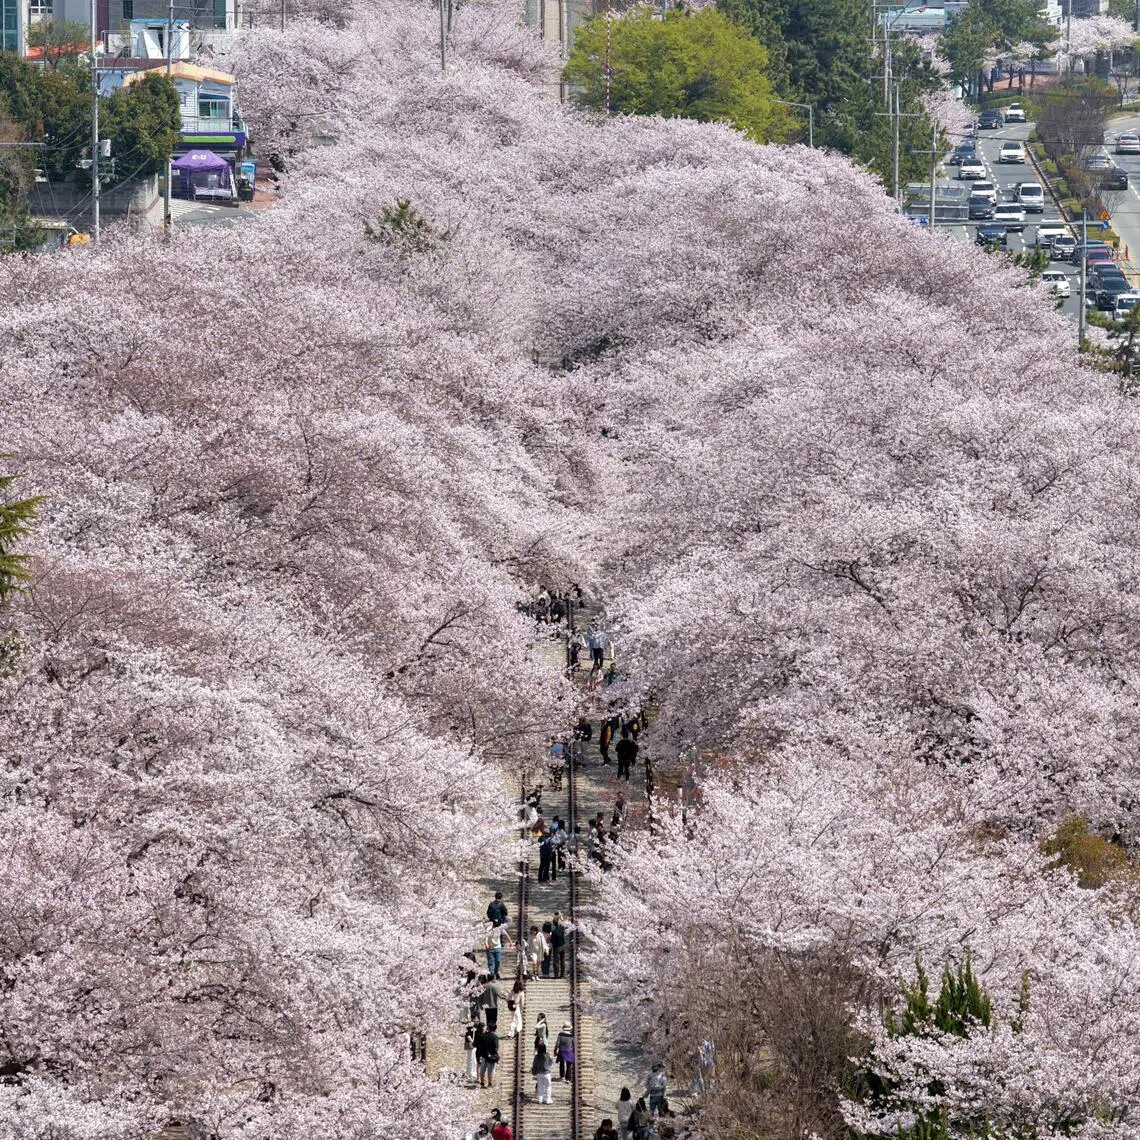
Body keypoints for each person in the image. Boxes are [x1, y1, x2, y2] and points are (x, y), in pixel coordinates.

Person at [475, 1022, 499, 1089]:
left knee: (482, 1069)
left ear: (488, 1028)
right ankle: (489, 1083)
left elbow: (480, 1045)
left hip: (484, 1056)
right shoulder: (495, 1037)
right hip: (491, 1057)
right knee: (490, 1071)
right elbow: (496, 1047)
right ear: (495, 1029)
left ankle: (482, 1083)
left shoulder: (483, 1035)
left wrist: (480, 1054)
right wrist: (496, 1055)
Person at [532, 1040, 553, 1104]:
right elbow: (551, 1062)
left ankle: (540, 1099)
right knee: (548, 1086)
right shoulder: (547, 1055)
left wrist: (534, 1072)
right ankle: (548, 1099)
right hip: (546, 1073)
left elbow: (534, 1065)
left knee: (540, 1087)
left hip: (539, 1073)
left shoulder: (536, 1057)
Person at [550, 911, 567, 979]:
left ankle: (556, 975)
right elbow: (563, 922)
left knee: (556, 961)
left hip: (556, 947)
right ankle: (562, 974)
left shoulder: (554, 931)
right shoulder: (562, 928)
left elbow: (552, 941)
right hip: (562, 946)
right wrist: (560, 916)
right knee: (562, 961)